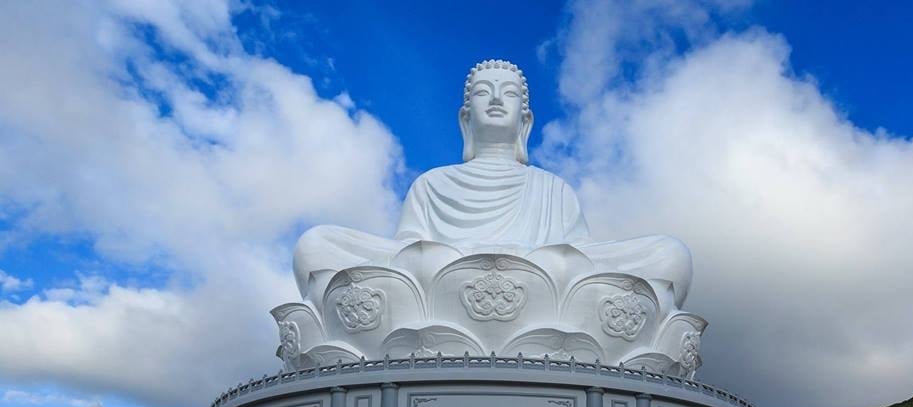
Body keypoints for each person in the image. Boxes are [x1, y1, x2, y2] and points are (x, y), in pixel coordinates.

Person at [293, 59, 692, 309]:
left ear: (526, 120)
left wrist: (531, 259)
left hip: (537, 281)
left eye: (509, 94)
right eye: (484, 93)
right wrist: (456, 258)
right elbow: (407, 255)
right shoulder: (432, 184)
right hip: (443, 277)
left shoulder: (552, 189)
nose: (497, 100)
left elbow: (578, 257)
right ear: (465, 118)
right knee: (316, 246)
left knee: (669, 256)